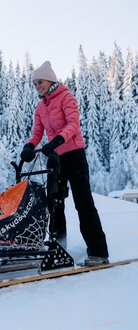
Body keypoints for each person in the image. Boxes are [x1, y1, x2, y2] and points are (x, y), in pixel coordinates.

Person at [20, 61, 109, 266]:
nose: (37, 87)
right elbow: (37, 133)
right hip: (55, 158)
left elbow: (73, 124)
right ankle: (58, 248)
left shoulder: (66, 97)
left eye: (39, 82)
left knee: (83, 203)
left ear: (50, 80)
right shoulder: (41, 106)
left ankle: (98, 251)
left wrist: (57, 141)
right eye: (34, 84)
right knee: (54, 204)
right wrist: (28, 147)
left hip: (74, 155)